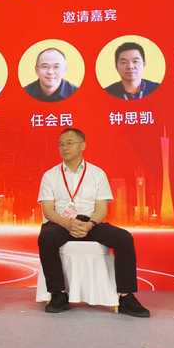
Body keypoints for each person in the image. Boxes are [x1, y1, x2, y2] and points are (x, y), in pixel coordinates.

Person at [37, 128, 149, 317]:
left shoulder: (97, 174)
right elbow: (48, 210)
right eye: (61, 144)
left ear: (82, 145)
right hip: (60, 223)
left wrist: (90, 225)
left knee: (123, 238)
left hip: (90, 222)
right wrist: (67, 224)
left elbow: (102, 209)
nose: (64, 148)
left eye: (69, 143)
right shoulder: (50, 175)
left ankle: (126, 297)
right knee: (46, 238)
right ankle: (58, 294)